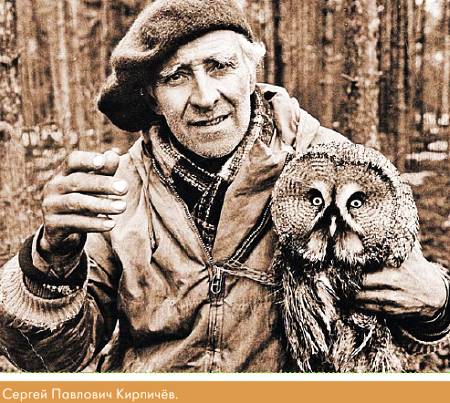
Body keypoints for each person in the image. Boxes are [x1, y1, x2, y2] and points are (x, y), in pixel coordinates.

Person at [0, 0, 448, 373]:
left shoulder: (332, 165)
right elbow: (52, 360)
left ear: (251, 70)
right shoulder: (118, 188)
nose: (205, 96)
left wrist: (435, 303)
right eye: (176, 76)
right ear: (152, 98)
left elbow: (394, 321)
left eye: (220, 66)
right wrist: (50, 262)